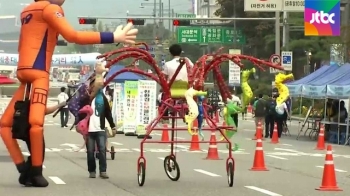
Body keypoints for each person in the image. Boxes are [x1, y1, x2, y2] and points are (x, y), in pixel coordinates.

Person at [87, 93, 116, 179]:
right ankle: (92, 171)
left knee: (102, 150)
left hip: (101, 129)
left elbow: (107, 112)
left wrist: (112, 125)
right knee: (90, 151)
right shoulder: (89, 97)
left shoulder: (103, 97)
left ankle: (103, 171)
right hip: (90, 129)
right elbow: (82, 111)